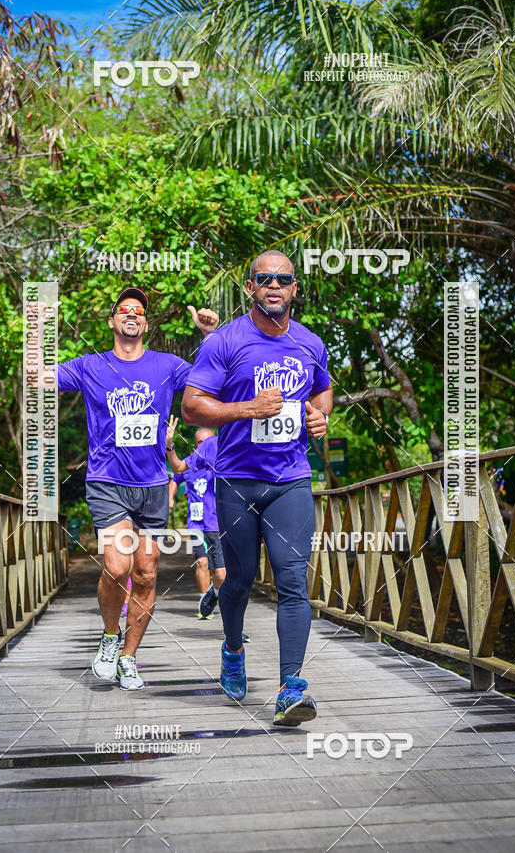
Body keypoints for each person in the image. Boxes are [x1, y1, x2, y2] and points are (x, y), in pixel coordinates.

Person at [181, 251, 333, 725]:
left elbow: (323, 390)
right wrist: (248, 409)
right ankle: (232, 649)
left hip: (290, 479)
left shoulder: (310, 343)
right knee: (239, 579)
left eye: (283, 279)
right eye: (264, 279)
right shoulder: (224, 342)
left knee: (293, 579)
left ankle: (291, 687)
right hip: (236, 481)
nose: (274, 286)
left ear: (294, 289)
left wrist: (320, 415)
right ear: (250, 287)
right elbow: (192, 406)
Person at [52, 286, 218, 690]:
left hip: (153, 485)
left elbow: (212, 379)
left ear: (145, 324)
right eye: (124, 309)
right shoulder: (91, 365)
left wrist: (209, 336)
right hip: (108, 481)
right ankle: (110, 636)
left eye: (139, 311)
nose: (132, 313)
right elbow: (39, 378)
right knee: (117, 566)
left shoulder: (167, 365)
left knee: (145, 574)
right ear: (112, 321)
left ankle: (129, 657)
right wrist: (41, 329)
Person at [166, 421, 225, 618]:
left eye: (206, 442)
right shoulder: (191, 462)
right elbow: (175, 478)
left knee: (221, 572)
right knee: (201, 562)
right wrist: (170, 498)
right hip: (196, 523)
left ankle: (213, 593)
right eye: (199, 442)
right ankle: (204, 604)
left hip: (218, 522)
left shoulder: (221, 461)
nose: (203, 446)